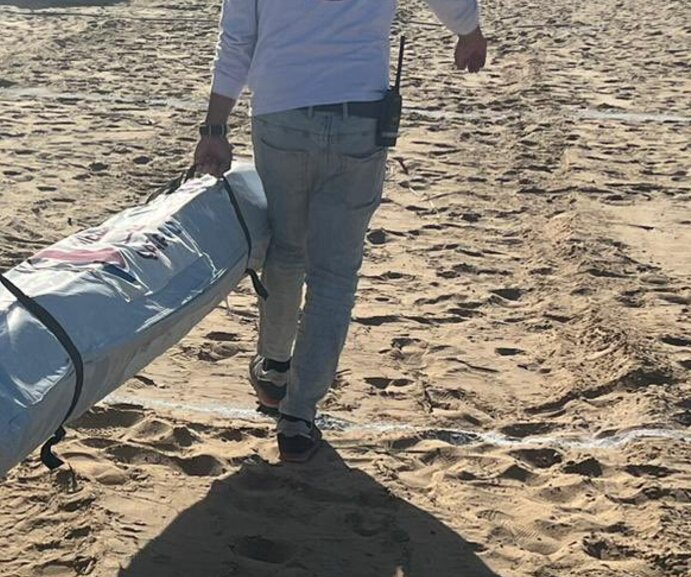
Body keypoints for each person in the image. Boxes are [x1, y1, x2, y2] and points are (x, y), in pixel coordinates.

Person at [192, 0, 487, 463]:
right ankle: (297, 416)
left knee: (287, 248)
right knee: (333, 274)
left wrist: (215, 126)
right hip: (358, 116)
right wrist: (468, 31)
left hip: (281, 111)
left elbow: (236, 40)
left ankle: (273, 367)